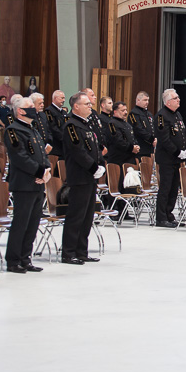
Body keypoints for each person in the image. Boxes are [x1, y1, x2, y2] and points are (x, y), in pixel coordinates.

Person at [3, 96, 51, 274]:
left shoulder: (33, 129)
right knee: (21, 223)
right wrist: (39, 172)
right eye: (30, 106)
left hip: (38, 183)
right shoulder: (13, 130)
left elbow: (42, 153)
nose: (33, 108)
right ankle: (13, 260)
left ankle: (25, 258)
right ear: (20, 111)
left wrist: (47, 171)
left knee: (33, 223)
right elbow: (20, 157)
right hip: (23, 184)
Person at [61, 92, 105, 265]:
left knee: (87, 216)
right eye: (86, 104)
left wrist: (100, 164)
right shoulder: (71, 126)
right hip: (79, 176)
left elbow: (94, 148)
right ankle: (68, 252)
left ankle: (81, 251)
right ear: (76, 106)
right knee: (76, 216)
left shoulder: (87, 124)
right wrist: (93, 167)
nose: (90, 106)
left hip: (90, 177)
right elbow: (77, 151)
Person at [154, 89, 186, 228]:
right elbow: (164, 139)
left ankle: (169, 214)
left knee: (174, 188)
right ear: (168, 102)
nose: (178, 100)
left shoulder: (177, 114)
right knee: (165, 188)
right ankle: (161, 217)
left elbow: (181, 134)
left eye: (178, 97)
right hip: (166, 158)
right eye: (175, 98)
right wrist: (177, 151)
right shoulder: (161, 116)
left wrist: (184, 149)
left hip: (176, 159)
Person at [128, 91, 157, 160]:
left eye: (148, 100)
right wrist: (151, 139)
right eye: (145, 100)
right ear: (138, 100)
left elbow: (153, 127)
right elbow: (138, 129)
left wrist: (155, 138)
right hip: (141, 147)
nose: (147, 102)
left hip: (150, 148)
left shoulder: (148, 114)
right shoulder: (134, 113)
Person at [81, 88, 107, 155]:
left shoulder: (94, 112)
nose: (95, 97)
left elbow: (99, 129)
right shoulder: (83, 114)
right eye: (92, 95)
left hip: (100, 147)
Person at [45, 90, 68, 159]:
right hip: (56, 146)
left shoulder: (64, 112)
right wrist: (64, 138)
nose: (64, 100)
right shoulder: (49, 111)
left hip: (64, 146)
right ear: (55, 98)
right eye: (62, 98)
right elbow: (52, 127)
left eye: (64, 98)